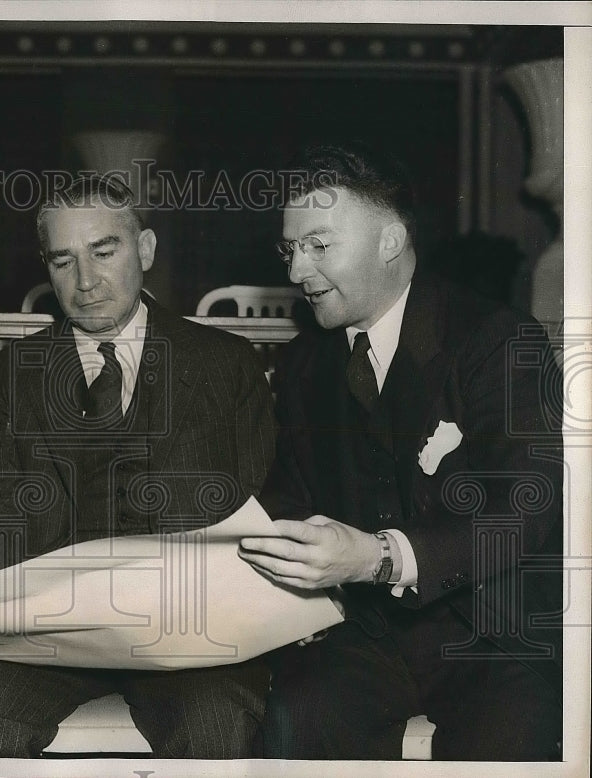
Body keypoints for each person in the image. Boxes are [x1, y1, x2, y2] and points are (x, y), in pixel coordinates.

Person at [0, 175, 277, 759]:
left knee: (215, 720)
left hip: (184, 636)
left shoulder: (226, 365)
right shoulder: (8, 378)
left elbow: (260, 510)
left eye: (104, 251)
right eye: (63, 261)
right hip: (50, 633)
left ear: (145, 249)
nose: (86, 282)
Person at [240, 143, 563, 760]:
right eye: (290, 248)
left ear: (390, 241)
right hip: (365, 635)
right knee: (297, 718)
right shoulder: (308, 362)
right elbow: (291, 495)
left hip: (493, 636)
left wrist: (378, 557)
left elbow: (525, 509)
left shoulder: (497, 340)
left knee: (506, 740)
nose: (295, 271)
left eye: (319, 245)